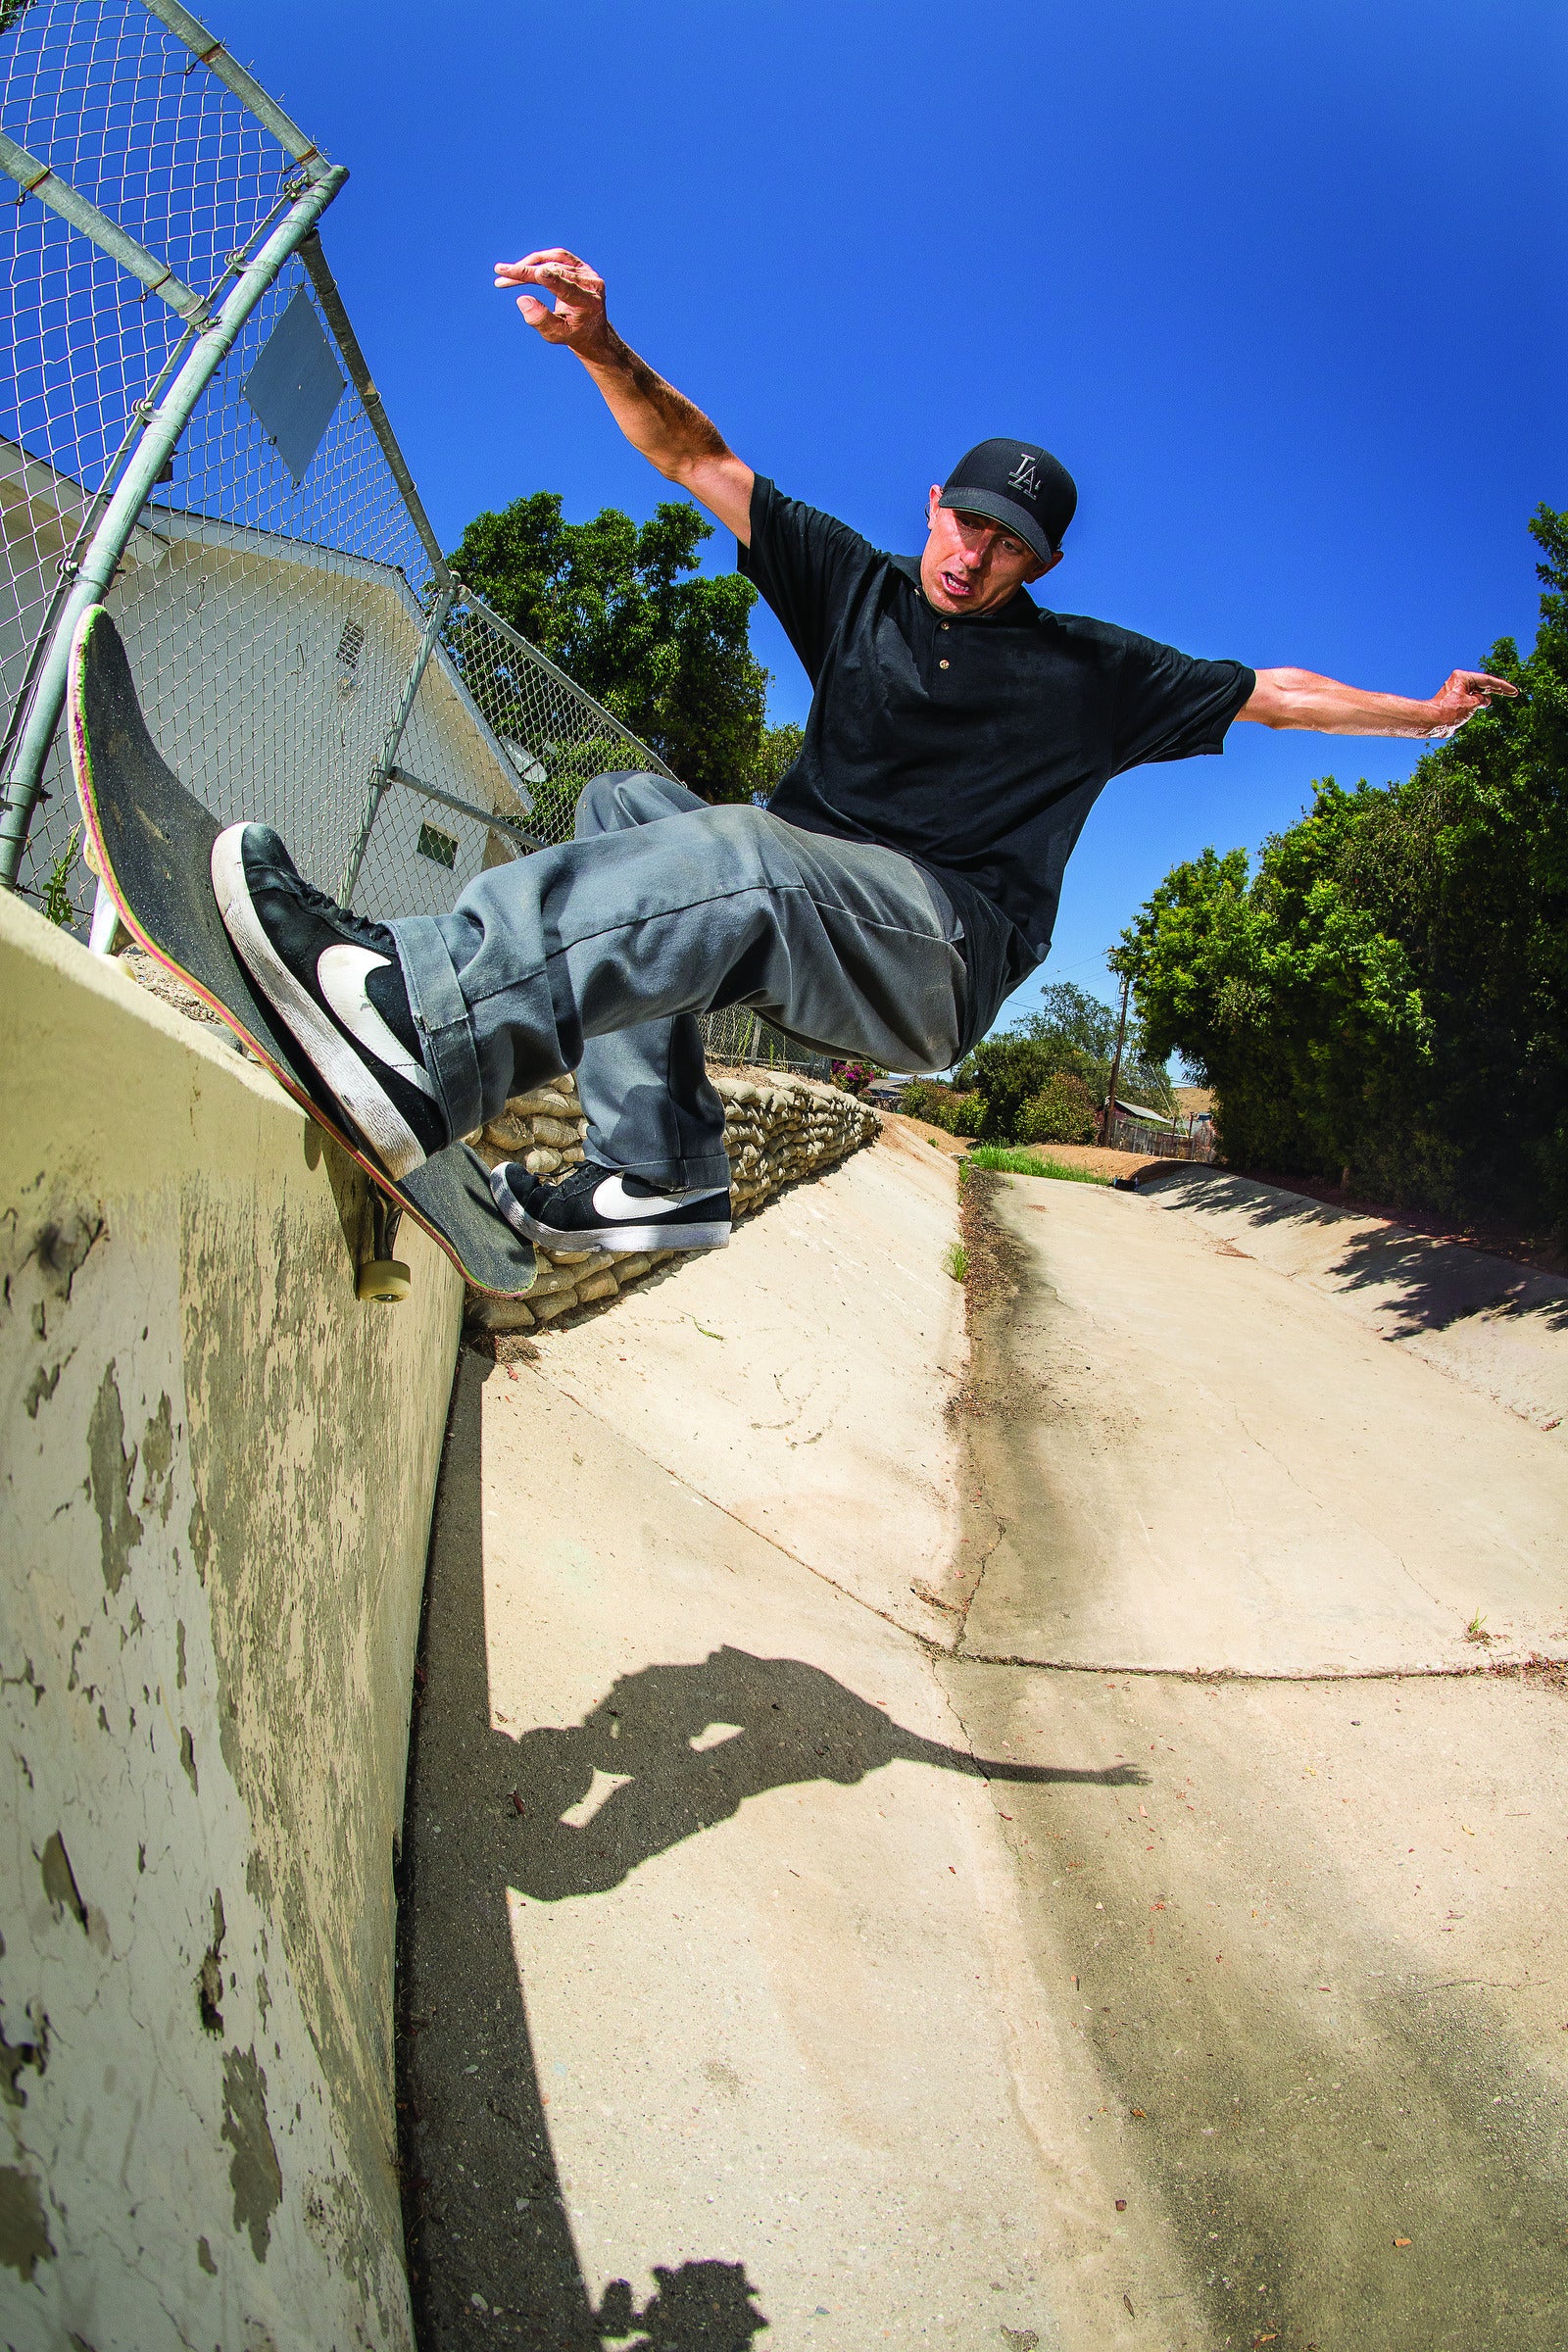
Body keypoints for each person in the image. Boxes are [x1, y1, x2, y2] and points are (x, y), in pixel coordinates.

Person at [212, 248, 1516, 1256]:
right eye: (965, 525)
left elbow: (1275, 694)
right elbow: (698, 455)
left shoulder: (1092, 673)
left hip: (935, 957)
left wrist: (1424, 713)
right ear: (935, 504)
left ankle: (417, 1024)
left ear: (1042, 561)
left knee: (752, 859)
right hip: (801, 913)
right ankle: (655, 1170)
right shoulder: (854, 582)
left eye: (1009, 547)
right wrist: (602, 346)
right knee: (624, 803)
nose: (972, 558)